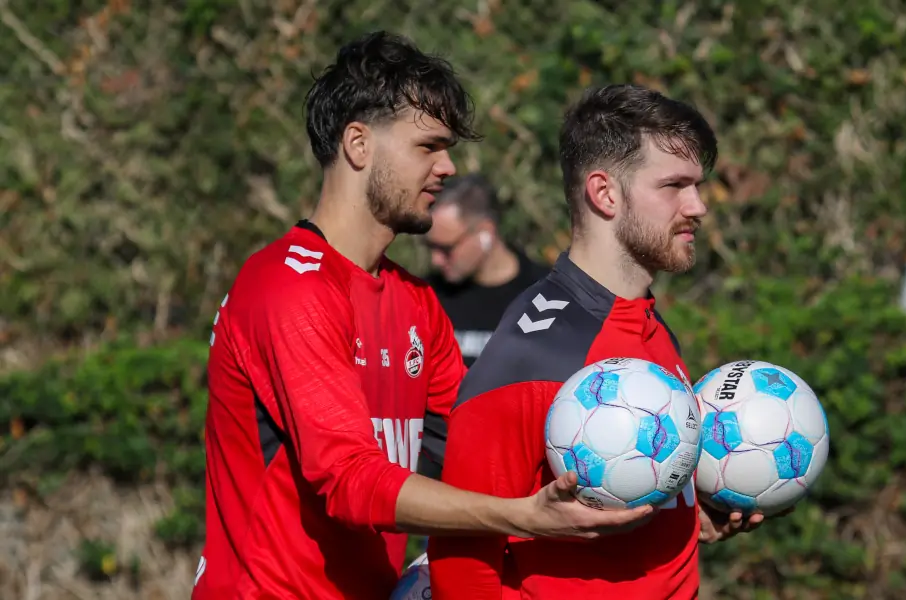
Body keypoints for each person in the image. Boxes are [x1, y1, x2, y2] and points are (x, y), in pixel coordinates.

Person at [192, 33, 655, 600]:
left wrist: (659, 500)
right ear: (358, 145)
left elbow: (478, 449)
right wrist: (525, 517)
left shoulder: (415, 302)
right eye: (428, 146)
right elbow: (350, 484)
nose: (447, 166)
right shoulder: (288, 287)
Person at [427, 84, 769, 599]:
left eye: (697, 185)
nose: (697, 206)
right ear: (605, 193)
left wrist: (684, 522)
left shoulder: (647, 321)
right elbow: (462, 561)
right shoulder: (536, 350)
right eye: (674, 185)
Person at [416, 174, 549, 481]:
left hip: (528, 484)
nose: (437, 260)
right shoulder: (424, 298)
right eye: (430, 247)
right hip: (444, 487)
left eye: (446, 248)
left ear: (486, 233)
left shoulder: (547, 294)